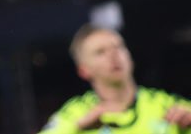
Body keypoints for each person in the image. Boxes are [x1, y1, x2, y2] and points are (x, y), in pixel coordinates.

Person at [38, 24, 191, 134]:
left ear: (129, 56)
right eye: (100, 52)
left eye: (118, 47)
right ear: (84, 70)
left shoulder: (165, 105)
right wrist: (77, 129)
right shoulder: (76, 113)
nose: (113, 55)